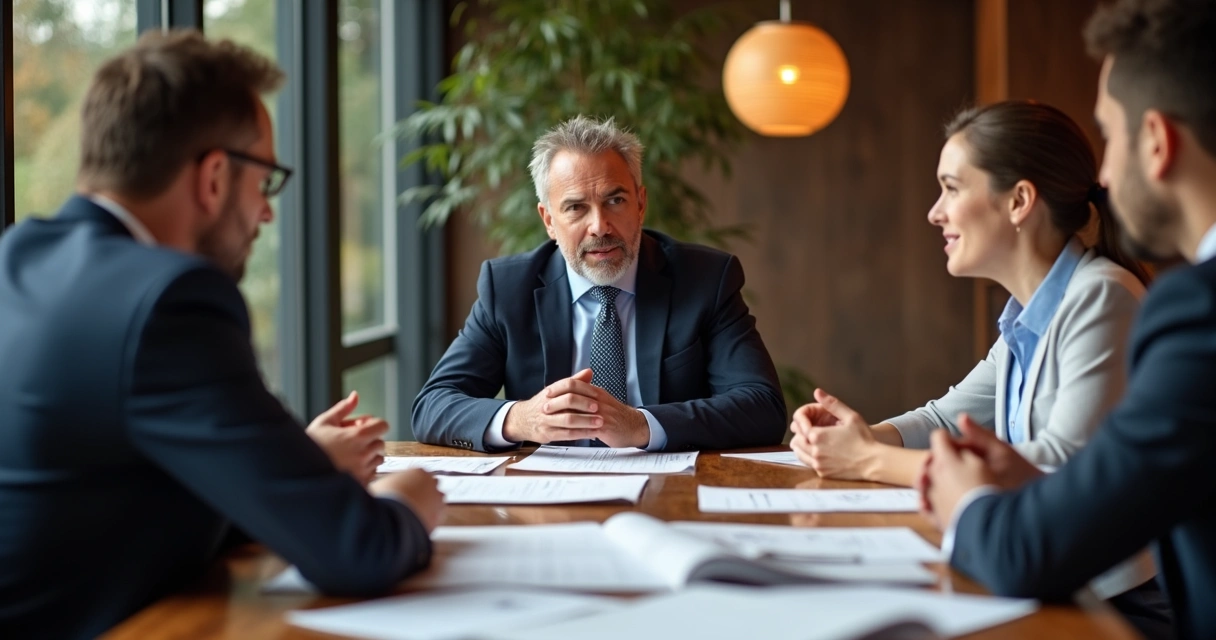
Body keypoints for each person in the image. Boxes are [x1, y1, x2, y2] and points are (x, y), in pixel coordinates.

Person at [0, 31, 442, 640]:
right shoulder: (167, 299)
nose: (266, 212)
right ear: (212, 178)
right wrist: (413, 497)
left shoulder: (15, 257)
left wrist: (300, 463)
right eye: (265, 181)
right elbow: (355, 550)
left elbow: (111, 491)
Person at [920, 1, 1216, 638]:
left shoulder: (1193, 311)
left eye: (1110, 134)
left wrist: (966, 497)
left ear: (1158, 142)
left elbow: (1026, 552)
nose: (1103, 174)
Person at [789, 101, 1148, 487]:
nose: (935, 213)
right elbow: (944, 421)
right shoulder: (1025, 316)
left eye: (951, 189)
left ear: (1019, 201)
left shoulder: (1103, 297)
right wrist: (859, 436)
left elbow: (1062, 462)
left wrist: (869, 460)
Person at [413, 115, 786, 452]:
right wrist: (523, 419)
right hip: (545, 500)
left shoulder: (705, 279)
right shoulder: (509, 288)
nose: (599, 226)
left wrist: (640, 425)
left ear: (640, 204)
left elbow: (761, 407)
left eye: (615, 200)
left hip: (671, 494)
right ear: (548, 220)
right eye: (576, 207)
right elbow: (433, 406)